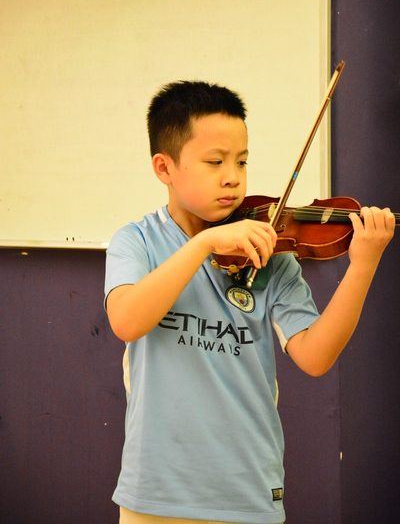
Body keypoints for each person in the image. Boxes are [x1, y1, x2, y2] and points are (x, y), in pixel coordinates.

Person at [104, 81, 395, 524]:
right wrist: (204, 244)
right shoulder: (137, 241)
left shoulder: (270, 251)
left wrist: (364, 264)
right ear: (165, 168)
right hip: (156, 493)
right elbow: (127, 321)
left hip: (248, 492)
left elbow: (316, 356)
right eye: (215, 161)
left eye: (241, 161)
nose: (232, 177)